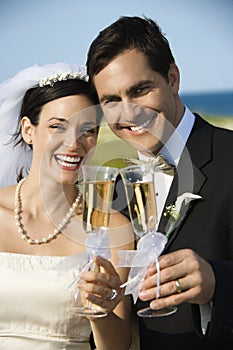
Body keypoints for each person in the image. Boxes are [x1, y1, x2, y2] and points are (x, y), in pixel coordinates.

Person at [86, 16, 233, 349]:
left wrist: (217, 283)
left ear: (172, 78)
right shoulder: (117, 190)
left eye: (139, 90)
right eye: (111, 100)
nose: (129, 113)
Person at [0, 63, 134, 350]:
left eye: (88, 130)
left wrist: (101, 311)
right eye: (57, 127)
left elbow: (119, 346)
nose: (73, 143)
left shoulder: (113, 229)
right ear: (28, 130)